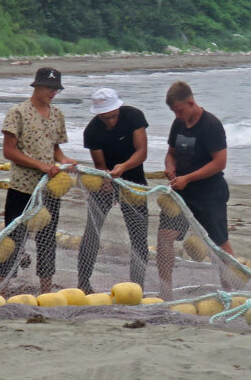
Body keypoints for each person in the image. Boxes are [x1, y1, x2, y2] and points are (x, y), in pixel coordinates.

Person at [0, 66, 77, 293]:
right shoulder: (18, 112)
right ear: (37, 86)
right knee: (12, 238)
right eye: (49, 88)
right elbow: (9, 151)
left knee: (46, 240)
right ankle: (1, 289)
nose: (52, 93)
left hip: (49, 190)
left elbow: (56, 151)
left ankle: (45, 290)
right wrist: (40, 165)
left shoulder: (57, 115)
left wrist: (66, 162)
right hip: (22, 188)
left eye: (56, 89)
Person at [156, 81, 233, 298]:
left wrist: (188, 178)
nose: (177, 115)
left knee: (218, 242)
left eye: (179, 110)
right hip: (181, 191)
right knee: (164, 236)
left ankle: (229, 289)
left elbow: (220, 162)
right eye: (173, 112)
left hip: (209, 192)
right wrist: (170, 166)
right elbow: (171, 152)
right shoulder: (178, 124)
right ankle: (165, 291)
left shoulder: (211, 125)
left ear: (191, 102)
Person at [76, 88, 150, 292]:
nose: (110, 121)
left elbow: (142, 152)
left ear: (118, 108)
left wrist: (123, 168)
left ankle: (137, 286)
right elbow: (99, 164)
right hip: (105, 180)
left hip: (133, 179)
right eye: (105, 118)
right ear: (98, 114)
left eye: (113, 116)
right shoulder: (92, 131)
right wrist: (106, 178)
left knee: (138, 235)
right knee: (92, 230)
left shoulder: (133, 116)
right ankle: (83, 283)